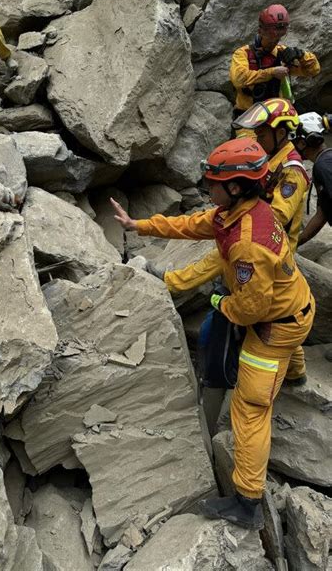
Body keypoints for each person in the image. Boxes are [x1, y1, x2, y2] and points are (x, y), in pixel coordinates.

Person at [111, 138, 315, 530]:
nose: (207, 188)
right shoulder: (246, 212)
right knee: (285, 346)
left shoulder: (246, 246)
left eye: (212, 183)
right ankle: (295, 375)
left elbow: (250, 310)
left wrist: (219, 304)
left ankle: (248, 502)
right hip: (294, 302)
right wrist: (140, 225)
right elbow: (194, 225)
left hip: (275, 327)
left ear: (235, 186)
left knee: (250, 411)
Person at [159, 98, 310, 385]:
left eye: (263, 133)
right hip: (265, 241)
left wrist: (244, 211)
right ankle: (295, 372)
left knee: (222, 269)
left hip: (269, 244)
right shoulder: (268, 156)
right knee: (285, 309)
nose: (258, 138)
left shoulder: (291, 171)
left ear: (282, 132)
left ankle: (170, 284)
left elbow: (278, 213)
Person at [230, 4, 320, 135]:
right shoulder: (243, 53)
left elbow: (313, 71)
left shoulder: (282, 53)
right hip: (248, 117)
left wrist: (301, 55)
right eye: (272, 36)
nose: (275, 40)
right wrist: (271, 72)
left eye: (278, 37)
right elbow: (239, 79)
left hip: (277, 119)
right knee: (252, 151)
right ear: (260, 31)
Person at [294, 112, 332, 246]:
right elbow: (322, 215)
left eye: (296, 139)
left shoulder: (324, 165)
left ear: (305, 142)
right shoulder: (322, 163)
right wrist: (295, 242)